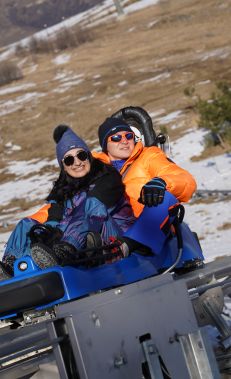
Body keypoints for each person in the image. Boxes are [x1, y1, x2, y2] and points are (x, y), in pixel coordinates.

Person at [0, 125, 135, 279]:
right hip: (78, 237)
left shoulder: (107, 177)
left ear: (89, 156)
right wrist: (44, 237)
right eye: (70, 159)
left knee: (86, 208)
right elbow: (54, 221)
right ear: (63, 167)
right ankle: (12, 265)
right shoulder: (63, 191)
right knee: (27, 224)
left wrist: (61, 238)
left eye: (81, 155)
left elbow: (94, 211)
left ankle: (64, 252)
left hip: (112, 236)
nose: (77, 162)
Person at [92, 116, 204, 270]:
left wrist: (162, 182)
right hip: (109, 230)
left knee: (164, 197)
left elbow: (184, 179)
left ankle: (130, 244)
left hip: (149, 227)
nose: (124, 141)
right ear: (105, 145)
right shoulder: (94, 170)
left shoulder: (149, 156)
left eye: (128, 136)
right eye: (116, 138)